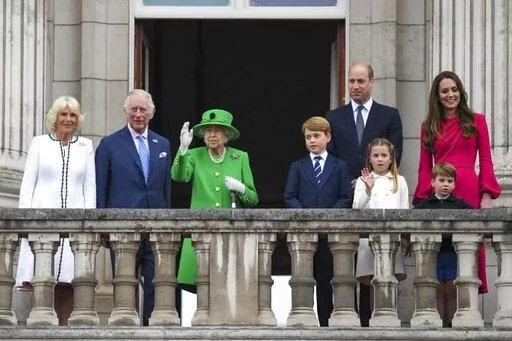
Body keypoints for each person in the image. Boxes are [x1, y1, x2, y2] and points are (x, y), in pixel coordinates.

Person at [325, 61, 404, 326]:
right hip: (344, 196)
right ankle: (342, 318)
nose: (355, 87)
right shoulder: (333, 117)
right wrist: (352, 184)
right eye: (351, 82)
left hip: (379, 194)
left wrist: (374, 181)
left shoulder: (389, 115)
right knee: (343, 259)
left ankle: (374, 319)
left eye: (360, 81)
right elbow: (331, 157)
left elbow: (396, 154)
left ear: (372, 82)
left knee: (375, 259)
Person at [412, 71, 501, 294]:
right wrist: (423, 200)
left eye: (454, 89)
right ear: (437, 96)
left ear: (460, 91)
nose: (450, 94)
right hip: (439, 191)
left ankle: (469, 307)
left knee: (469, 246)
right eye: (445, 91)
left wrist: (487, 193)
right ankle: (443, 316)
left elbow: (487, 159)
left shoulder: (477, 120)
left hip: (468, 189)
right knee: (441, 251)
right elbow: (424, 166)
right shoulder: (427, 126)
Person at [17, 95, 96, 325]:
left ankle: (65, 332)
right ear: (55, 117)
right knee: (42, 281)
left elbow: (89, 188)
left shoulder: (85, 146)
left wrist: (89, 226)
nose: (68, 119)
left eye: (72, 115)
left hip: (75, 226)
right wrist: (25, 223)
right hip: (42, 223)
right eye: (63, 114)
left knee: (70, 283)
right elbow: (27, 186)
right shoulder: (39, 143)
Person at [95, 89, 171, 326]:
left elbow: (165, 189)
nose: (138, 114)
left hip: (156, 228)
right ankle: (125, 330)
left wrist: (167, 223)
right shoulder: (109, 144)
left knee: (157, 284)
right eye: (134, 109)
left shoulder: (164, 144)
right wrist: (102, 227)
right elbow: (101, 189)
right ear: (126, 111)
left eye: (143, 110)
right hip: (122, 228)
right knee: (124, 283)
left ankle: (150, 330)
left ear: (151, 113)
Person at [171, 109, 258, 289]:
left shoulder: (240, 157)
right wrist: (183, 149)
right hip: (202, 232)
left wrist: (241, 189)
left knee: (231, 288)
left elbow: (253, 198)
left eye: (217, 130)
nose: (212, 135)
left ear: (226, 135)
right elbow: (179, 177)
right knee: (203, 287)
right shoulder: (194, 155)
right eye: (207, 131)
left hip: (231, 233)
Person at [284, 116, 352, 326]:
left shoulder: (339, 166)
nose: (312, 140)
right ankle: (303, 323)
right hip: (304, 234)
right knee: (302, 280)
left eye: (316, 136)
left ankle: (325, 326)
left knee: (326, 280)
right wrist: (304, 216)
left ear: (328, 137)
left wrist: (329, 217)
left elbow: (346, 196)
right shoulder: (297, 166)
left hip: (329, 235)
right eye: (308, 137)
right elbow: (290, 195)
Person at [352, 138, 409, 322]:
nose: (380, 159)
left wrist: (405, 237)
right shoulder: (362, 181)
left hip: (392, 239)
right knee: (368, 281)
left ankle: (389, 318)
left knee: (389, 280)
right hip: (367, 240)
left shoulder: (399, 181)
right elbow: (356, 209)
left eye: (384, 155)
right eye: (375, 155)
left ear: (391, 158)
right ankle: (366, 322)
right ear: (370, 158)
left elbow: (405, 211)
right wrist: (368, 190)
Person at [414, 162, 472, 327]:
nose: (446, 184)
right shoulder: (425, 205)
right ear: (433, 182)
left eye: (449, 181)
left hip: (452, 254)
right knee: (436, 289)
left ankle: (450, 325)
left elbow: (474, 217)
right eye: (441, 180)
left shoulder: (460, 204)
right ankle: (438, 325)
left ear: (454, 184)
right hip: (433, 255)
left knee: (451, 290)